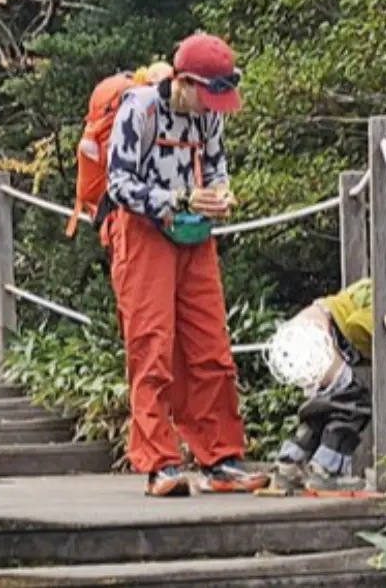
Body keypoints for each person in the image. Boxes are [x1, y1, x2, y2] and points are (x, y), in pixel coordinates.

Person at [103, 31, 265, 497]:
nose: (213, 105)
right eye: (209, 94)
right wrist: (174, 197)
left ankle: (221, 458)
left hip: (194, 234)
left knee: (210, 344)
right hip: (143, 231)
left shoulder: (208, 117)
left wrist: (221, 193)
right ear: (185, 81)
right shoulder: (141, 109)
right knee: (151, 344)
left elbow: (215, 166)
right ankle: (159, 462)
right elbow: (118, 183)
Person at [268, 277, 386, 495]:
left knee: (324, 408)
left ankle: (289, 464)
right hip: (319, 338)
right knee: (353, 403)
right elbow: (357, 325)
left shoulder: (374, 286)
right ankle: (327, 470)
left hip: (298, 332)